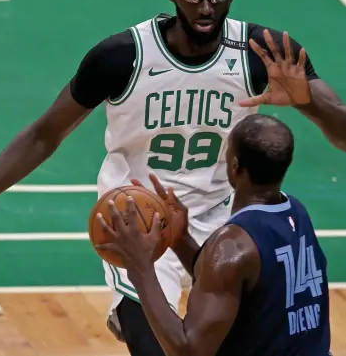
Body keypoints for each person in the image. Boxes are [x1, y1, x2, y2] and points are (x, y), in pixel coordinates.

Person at [0, 0, 344, 356]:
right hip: (139, 216)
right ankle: (131, 308)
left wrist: (309, 103)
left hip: (226, 222)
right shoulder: (122, 57)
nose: (206, 7)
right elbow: (43, 134)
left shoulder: (260, 53)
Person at [97, 113, 330, 356]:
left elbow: (188, 351)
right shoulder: (296, 214)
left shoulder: (233, 245)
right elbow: (237, 282)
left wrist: (141, 268)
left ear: (235, 165)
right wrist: (180, 240)